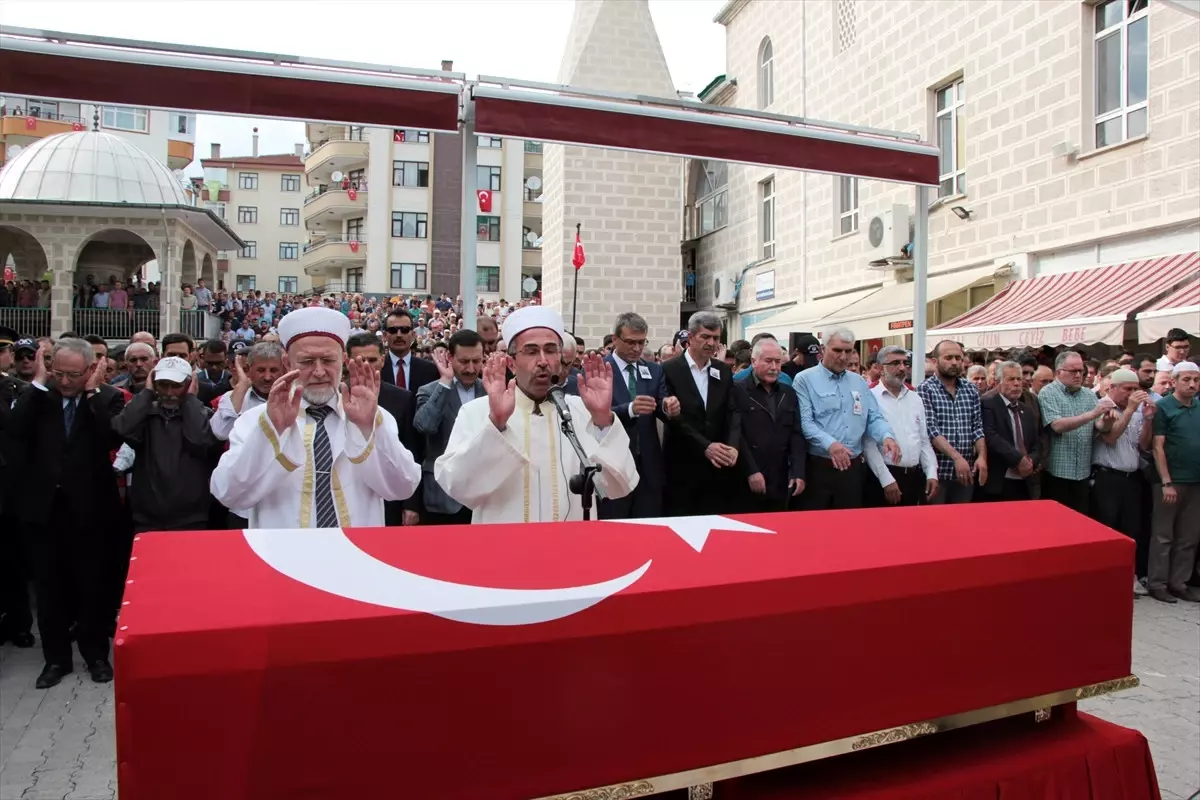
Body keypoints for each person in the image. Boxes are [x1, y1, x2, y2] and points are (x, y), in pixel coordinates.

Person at [210, 306, 421, 529]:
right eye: (307, 362)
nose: (319, 372)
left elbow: (403, 486)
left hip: (356, 556)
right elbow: (227, 493)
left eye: (328, 360)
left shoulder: (371, 416)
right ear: (287, 363)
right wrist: (271, 431)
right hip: (283, 557)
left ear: (344, 360)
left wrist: (369, 428)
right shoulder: (257, 420)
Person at [434, 306, 638, 523]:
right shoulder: (477, 411)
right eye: (531, 351)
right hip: (502, 548)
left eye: (551, 350)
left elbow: (621, 485)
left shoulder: (581, 410)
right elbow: (456, 487)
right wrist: (497, 424)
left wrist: (602, 420)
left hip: (570, 547)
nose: (543, 361)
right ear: (511, 362)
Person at [7, 339, 124, 688]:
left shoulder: (106, 399)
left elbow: (109, 437)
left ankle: (96, 656)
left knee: (92, 586)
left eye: (74, 374)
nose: (66, 381)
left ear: (90, 370)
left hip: (89, 512)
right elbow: (14, 432)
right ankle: (56, 660)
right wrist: (41, 384)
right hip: (43, 512)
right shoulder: (39, 398)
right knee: (49, 589)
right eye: (59, 373)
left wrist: (90, 395)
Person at [793, 327, 899, 510]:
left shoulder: (858, 382)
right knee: (816, 527)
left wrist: (886, 436)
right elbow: (806, 423)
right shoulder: (804, 379)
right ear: (823, 350)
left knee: (850, 527)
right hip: (819, 467)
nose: (843, 357)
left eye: (848, 351)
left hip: (852, 468)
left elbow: (873, 416)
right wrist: (830, 444)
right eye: (837, 350)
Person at [660, 311, 741, 516]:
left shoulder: (722, 370)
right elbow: (673, 418)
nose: (711, 343)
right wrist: (705, 446)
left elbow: (733, 412)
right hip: (681, 464)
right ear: (690, 336)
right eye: (705, 337)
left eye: (716, 338)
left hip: (717, 466)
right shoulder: (669, 369)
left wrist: (733, 446)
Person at [414, 330, 487, 525]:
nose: (471, 368)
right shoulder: (430, 391)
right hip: (443, 497)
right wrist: (445, 382)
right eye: (464, 362)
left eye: (476, 361)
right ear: (450, 357)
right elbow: (425, 426)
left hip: (483, 496)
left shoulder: (491, 390)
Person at [600, 312, 669, 519]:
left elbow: (662, 406)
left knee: (648, 532)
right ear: (614, 340)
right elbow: (593, 416)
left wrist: (668, 407)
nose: (637, 348)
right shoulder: (599, 371)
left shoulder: (654, 371)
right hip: (613, 468)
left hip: (648, 469)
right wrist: (629, 409)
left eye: (642, 342)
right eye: (631, 342)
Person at [1147, 361, 1200, 604]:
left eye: (1196, 380)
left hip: (1195, 480)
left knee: (1189, 536)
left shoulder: (1199, 406)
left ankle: (1179, 582)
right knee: (1163, 535)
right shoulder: (1164, 407)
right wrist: (1166, 481)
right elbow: (1158, 446)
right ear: (1174, 381)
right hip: (1171, 480)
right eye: (1186, 379)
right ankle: (1158, 583)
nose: (1192, 384)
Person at [733, 338, 805, 512]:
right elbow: (736, 435)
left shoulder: (788, 393)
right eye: (768, 361)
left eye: (778, 362)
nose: (774, 367)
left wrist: (798, 472)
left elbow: (796, 434)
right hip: (747, 480)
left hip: (781, 479)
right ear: (753, 361)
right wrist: (750, 471)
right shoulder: (737, 390)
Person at [1038, 351, 1112, 514]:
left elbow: (1098, 426)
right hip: (1058, 473)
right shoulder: (1048, 393)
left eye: (1081, 371)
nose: (1079, 375)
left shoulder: (1088, 394)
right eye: (1073, 371)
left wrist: (1107, 420)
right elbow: (1057, 425)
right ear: (1059, 372)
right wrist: (1092, 414)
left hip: (1083, 472)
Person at [864, 346, 938, 507]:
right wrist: (886, 480)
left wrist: (931, 472)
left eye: (905, 363)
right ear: (880, 368)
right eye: (895, 363)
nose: (902, 368)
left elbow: (923, 440)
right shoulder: (870, 397)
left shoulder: (915, 399)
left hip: (914, 477)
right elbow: (868, 444)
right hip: (883, 476)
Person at [918, 340, 987, 505]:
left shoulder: (971, 390)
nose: (954, 362)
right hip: (937, 472)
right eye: (948, 358)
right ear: (935, 361)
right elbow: (931, 430)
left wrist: (982, 457)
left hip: (966, 474)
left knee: (962, 524)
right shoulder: (925, 389)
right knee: (936, 525)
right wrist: (957, 458)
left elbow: (977, 427)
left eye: (958, 358)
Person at [980, 361, 1041, 501]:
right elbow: (990, 436)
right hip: (1000, 480)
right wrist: (1018, 460)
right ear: (998, 383)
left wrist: (1030, 460)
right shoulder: (988, 405)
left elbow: (1037, 442)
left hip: (1025, 480)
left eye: (1019, 379)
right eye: (1011, 379)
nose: (1016, 383)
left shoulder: (1028, 411)